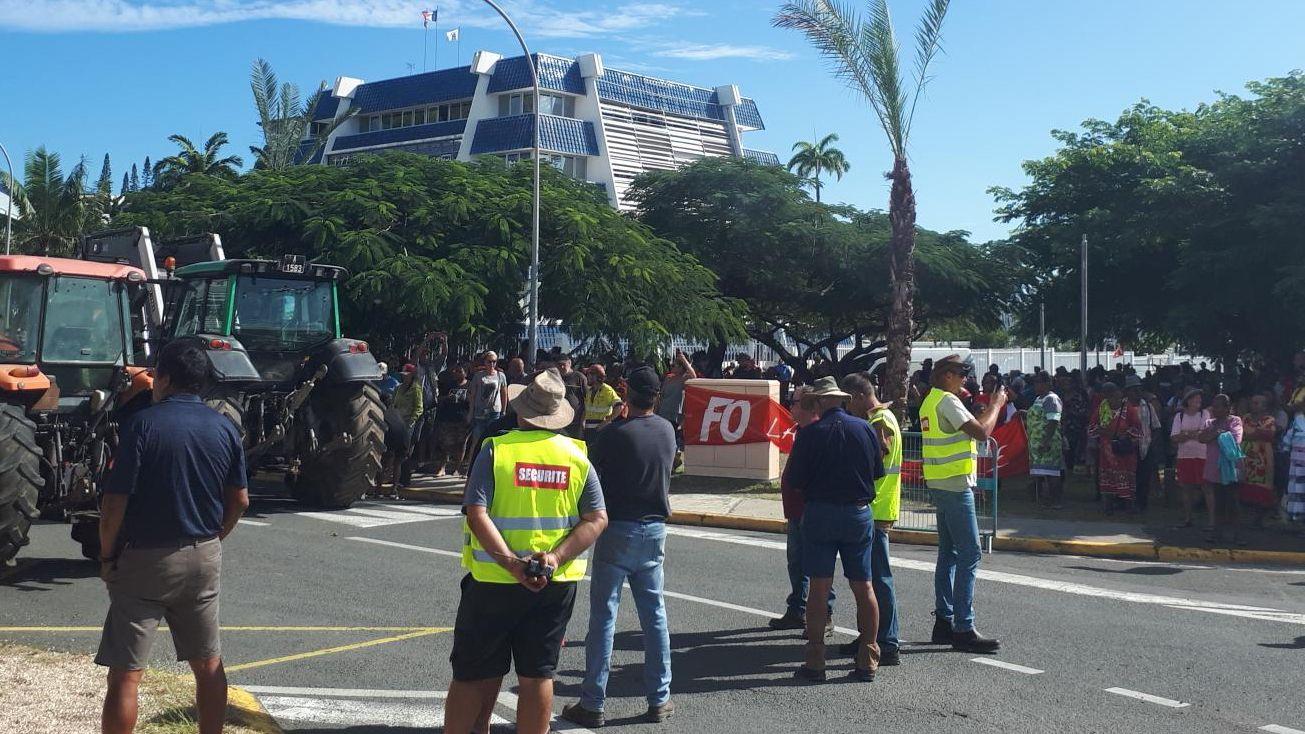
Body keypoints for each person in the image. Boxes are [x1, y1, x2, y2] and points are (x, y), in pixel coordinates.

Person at [96, 340, 249, 734]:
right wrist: (216, 537)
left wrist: (107, 556)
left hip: (145, 558)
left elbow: (114, 504)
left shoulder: (142, 425)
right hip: (203, 554)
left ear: (162, 379)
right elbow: (240, 500)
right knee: (208, 663)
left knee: (126, 673)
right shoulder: (225, 428)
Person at [445, 369, 609, 734]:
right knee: (538, 674)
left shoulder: (497, 450)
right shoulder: (576, 456)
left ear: (521, 411)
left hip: (493, 581)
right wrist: (555, 558)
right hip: (553, 583)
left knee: (471, 672)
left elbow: (476, 512)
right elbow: (597, 519)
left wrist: (512, 565)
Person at [561, 367, 677, 727]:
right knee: (654, 616)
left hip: (618, 527)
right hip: (654, 529)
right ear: (656, 396)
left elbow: (592, 474)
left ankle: (593, 701)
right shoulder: (667, 430)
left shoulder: (614, 434)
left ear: (626, 394)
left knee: (604, 617)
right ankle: (660, 697)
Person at [785, 376, 885, 683]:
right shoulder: (865, 429)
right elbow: (876, 472)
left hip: (821, 512)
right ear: (842, 399)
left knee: (819, 586)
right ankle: (868, 658)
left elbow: (795, 480)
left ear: (818, 401)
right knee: (864, 586)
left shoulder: (809, 434)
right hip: (858, 512)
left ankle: (816, 659)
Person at [919, 355, 1004, 654]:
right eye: (961, 372)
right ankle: (963, 627)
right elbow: (982, 432)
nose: (966, 377)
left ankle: (944, 621)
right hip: (955, 485)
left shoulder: (931, 400)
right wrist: (996, 405)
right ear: (946, 375)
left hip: (940, 483)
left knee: (949, 553)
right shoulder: (947, 401)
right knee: (970, 553)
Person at [839, 372, 903, 667]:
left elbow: (880, 452)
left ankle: (886, 641)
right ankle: (869, 634)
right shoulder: (881, 417)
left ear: (858, 397)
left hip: (875, 509)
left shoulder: (879, 421)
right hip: (876, 507)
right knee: (867, 579)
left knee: (877, 579)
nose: (847, 409)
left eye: (848, 403)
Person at [768, 386, 834, 638]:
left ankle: (825, 614)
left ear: (807, 404)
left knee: (818, 565)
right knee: (797, 563)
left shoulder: (817, 432)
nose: (790, 406)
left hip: (811, 509)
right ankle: (797, 609)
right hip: (795, 510)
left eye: (793, 402)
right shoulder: (801, 431)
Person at [1089, 383, 1142, 512]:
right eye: (1108, 395)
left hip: (1124, 451)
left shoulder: (1128, 409)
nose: (1112, 398)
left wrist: (1120, 434)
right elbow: (1091, 428)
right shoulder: (1102, 409)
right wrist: (1104, 432)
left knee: (1127, 478)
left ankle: (1129, 506)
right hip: (1106, 452)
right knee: (1107, 478)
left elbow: (1137, 429)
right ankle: (1108, 507)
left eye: (1114, 394)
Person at [1199, 394, 1244, 545]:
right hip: (1214, 468)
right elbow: (1202, 438)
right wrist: (1218, 433)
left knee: (1233, 502)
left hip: (1231, 468)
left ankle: (1236, 534)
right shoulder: (1209, 423)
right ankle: (1217, 533)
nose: (1214, 409)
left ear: (1227, 408)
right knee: (1218, 502)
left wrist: (1214, 434)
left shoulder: (1235, 421)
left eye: (1218, 406)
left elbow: (1235, 439)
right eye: (1213, 406)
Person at [1170, 389, 1210, 529]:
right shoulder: (1179, 416)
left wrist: (1185, 434)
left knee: (1206, 487)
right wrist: (1193, 434)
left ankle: (1212, 520)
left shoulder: (1204, 414)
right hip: (1184, 456)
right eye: (1195, 398)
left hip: (1202, 455)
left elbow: (1203, 433)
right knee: (1186, 488)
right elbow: (1174, 437)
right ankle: (1188, 518)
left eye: (1199, 398)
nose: (1198, 401)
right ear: (1188, 400)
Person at [1238, 393, 1278, 525]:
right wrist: (1254, 434)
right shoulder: (1246, 418)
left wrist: (1250, 435)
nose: (1253, 405)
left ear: (1264, 406)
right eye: (1252, 402)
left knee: (1262, 485)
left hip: (1262, 457)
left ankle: (1259, 518)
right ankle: (1248, 517)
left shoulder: (1269, 419)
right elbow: (1241, 433)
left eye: (1256, 403)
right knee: (1245, 484)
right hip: (1245, 456)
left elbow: (1268, 435)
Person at [1027, 372, 1065, 508]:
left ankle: (1056, 501)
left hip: (1048, 442)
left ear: (1048, 383)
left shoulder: (1051, 399)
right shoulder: (1038, 398)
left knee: (1052, 473)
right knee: (1039, 472)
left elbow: (1053, 421)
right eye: (1035, 383)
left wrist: (1046, 441)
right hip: (1036, 443)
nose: (1036, 386)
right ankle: (1042, 500)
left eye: (1039, 383)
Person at [1125, 375, 1162, 511]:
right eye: (1133, 389)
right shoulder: (1122, 406)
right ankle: (1125, 502)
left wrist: (1151, 442)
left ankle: (1141, 503)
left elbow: (1156, 426)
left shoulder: (1148, 406)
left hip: (1145, 447)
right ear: (1127, 391)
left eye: (1139, 389)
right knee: (1126, 476)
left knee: (1143, 477)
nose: (1137, 392)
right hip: (1127, 447)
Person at [656, 349, 697, 461]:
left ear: (681, 367)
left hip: (674, 414)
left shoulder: (684, 378)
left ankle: (674, 458)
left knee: (671, 437)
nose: (671, 366)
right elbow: (661, 396)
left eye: (674, 365)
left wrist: (684, 360)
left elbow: (694, 376)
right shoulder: (668, 378)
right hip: (663, 411)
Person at [433, 365, 471, 476]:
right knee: (445, 444)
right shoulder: (449, 384)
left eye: (459, 371)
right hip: (448, 417)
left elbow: (474, 400)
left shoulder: (470, 385)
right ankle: (442, 467)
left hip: (463, 418)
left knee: (461, 444)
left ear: (465, 373)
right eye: (455, 371)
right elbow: (439, 398)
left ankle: (457, 468)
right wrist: (447, 398)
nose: (456, 373)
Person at [467, 350, 508, 451]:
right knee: (476, 440)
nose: (492, 364)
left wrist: (503, 411)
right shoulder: (478, 376)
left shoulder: (501, 376)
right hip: (480, 411)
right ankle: (473, 459)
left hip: (494, 411)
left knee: (492, 439)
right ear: (485, 362)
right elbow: (473, 395)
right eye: (489, 361)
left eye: (494, 361)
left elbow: (504, 394)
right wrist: (471, 412)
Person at [555, 355, 588, 440]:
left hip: (575, 422)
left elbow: (587, 400)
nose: (561, 367)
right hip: (559, 421)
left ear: (569, 363)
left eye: (564, 364)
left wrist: (583, 420)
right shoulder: (555, 378)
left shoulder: (579, 377)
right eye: (559, 365)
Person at [583, 364, 623, 432]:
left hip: (602, 431)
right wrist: (583, 421)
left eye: (589, 374)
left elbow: (619, 407)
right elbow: (586, 409)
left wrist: (605, 423)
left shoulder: (607, 390)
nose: (587, 377)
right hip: (588, 430)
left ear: (597, 377)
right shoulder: (589, 391)